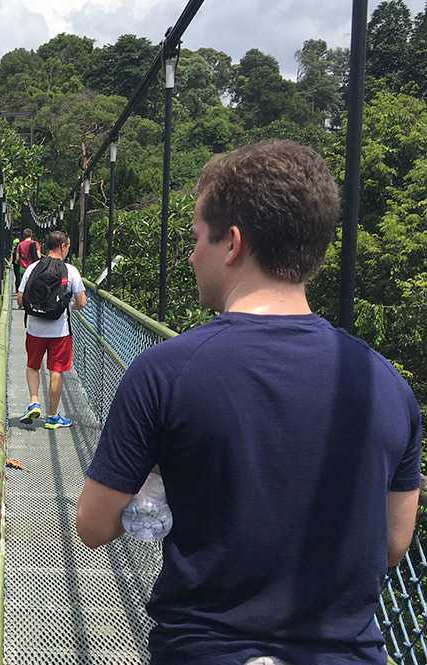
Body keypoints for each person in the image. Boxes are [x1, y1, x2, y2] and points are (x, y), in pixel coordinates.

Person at [76, 140, 423, 665]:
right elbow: (395, 544)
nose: (191, 255)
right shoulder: (388, 386)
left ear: (232, 243)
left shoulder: (165, 373)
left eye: (196, 239)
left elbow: (94, 526)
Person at [16, 230, 87, 429]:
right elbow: (82, 302)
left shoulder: (32, 268)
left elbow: (21, 299)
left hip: (35, 329)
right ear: (63, 246)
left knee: (33, 365)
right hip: (60, 332)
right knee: (56, 370)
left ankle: (34, 402)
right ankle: (53, 417)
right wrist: (67, 306)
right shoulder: (70, 270)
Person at [13, 228, 40, 300]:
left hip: (23, 268)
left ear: (24, 236)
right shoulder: (35, 244)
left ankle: (22, 302)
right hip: (33, 268)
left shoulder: (20, 245)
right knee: (33, 284)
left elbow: (17, 258)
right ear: (31, 235)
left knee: (23, 286)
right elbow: (39, 256)